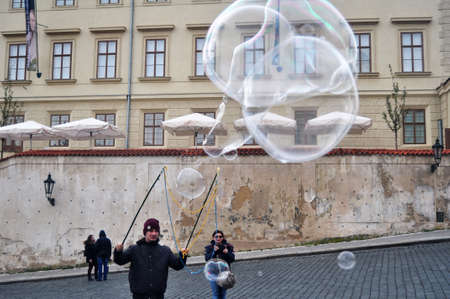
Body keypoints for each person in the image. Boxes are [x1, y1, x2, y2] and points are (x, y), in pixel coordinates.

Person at [114, 218, 189, 299]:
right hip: (139, 296)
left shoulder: (165, 251)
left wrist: (183, 255)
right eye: (150, 231)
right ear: (145, 232)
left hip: (158, 296)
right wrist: (118, 251)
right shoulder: (134, 249)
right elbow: (120, 260)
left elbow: (178, 265)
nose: (153, 234)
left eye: (156, 231)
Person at [204, 230, 235, 299]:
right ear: (213, 238)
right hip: (213, 274)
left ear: (223, 238)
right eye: (216, 236)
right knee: (216, 294)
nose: (218, 238)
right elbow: (207, 259)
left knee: (223, 294)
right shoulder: (209, 248)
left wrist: (227, 252)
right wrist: (214, 252)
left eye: (220, 236)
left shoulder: (228, 246)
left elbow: (232, 259)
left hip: (224, 274)